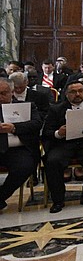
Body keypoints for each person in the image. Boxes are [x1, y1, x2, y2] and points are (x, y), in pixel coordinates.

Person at [43, 79, 83, 213]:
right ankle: (58, 200)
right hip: (63, 144)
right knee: (52, 161)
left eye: (81, 91)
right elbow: (46, 132)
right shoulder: (56, 109)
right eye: (73, 92)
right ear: (66, 94)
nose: (77, 94)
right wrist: (58, 133)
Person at [0, 77, 41, 211]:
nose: (0, 97)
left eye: (3, 93)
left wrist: (14, 128)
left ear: (12, 92)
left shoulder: (26, 106)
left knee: (24, 167)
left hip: (19, 149)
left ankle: (1, 197)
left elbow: (36, 124)